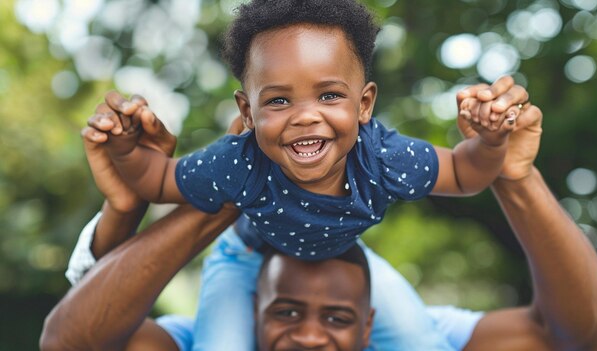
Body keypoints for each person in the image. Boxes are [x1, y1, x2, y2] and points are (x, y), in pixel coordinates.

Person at [92, 0, 530, 349]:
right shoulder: (239, 162)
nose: (305, 117)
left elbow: (464, 173)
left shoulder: (384, 158)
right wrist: (127, 150)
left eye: (328, 95)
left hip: (342, 260)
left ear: (363, 104)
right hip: (245, 255)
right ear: (247, 111)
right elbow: (159, 181)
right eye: (279, 101)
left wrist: (490, 142)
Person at [40, 92, 597, 350]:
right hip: (242, 240)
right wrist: (224, 187)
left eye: (339, 318)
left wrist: (512, 173)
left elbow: (587, 340)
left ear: (369, 328)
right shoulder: (212, 333)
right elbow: (72, 342)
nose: (312, 339)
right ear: (252, 315)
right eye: (286, 313)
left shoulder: (410, 333)